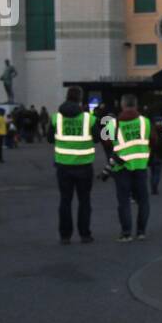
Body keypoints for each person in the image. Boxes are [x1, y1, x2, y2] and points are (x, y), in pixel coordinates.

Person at [103, 93, 151, 242]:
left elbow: (106, 144)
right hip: (140, 165)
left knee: (124, 201)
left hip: (121, 167)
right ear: (135, 105)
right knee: (143, 200)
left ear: (122, 105)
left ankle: (126, 233)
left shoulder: (112, 124)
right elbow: (152, 140)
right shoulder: (145, 122)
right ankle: (141, 231)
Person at [54, 87, 96, 245]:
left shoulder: (56, 118)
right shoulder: (88, 119)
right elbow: (100, 137)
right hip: (84, 166)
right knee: (84, 201)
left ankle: (65, 235)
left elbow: (50, 138)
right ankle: (85, 234)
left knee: (65, 201)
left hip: (63, 166)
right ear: (80, 99)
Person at [148, 114, 162, 195]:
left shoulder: (150, 132)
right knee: (157, 172)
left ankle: (153, 187)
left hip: (151, 155)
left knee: (153, 172)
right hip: (160, 155)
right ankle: (155, 187)